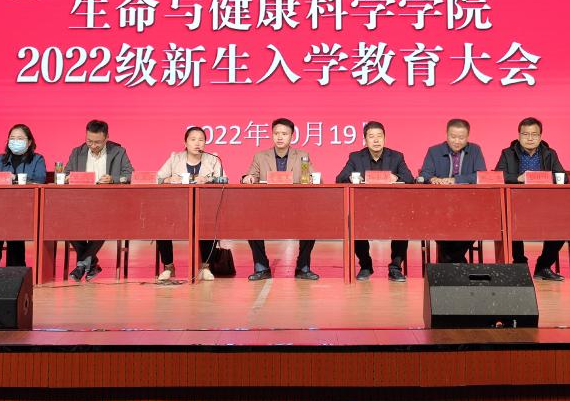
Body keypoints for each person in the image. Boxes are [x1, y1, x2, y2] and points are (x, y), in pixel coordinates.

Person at [335, 121, 415, 281]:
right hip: (365, 209)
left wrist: (396, 177)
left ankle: (395, 268)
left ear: (385, 138)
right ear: (365, 140)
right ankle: (366, 265)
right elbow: (340, 178)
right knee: (353, 222)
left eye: (379, 136)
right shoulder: (356, 157)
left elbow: (409, 178)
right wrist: (352, 177)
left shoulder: (396, 157)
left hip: (392, 208)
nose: (376, 140)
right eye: (371, 136)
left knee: (403, 223)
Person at [241, 118, 319, 281]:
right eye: (276, 133)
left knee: (312, 221)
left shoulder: (302, 156)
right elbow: (251, 175)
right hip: (267, 208)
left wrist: (313, 179)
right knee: (250, 222)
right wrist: (248, 178)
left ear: (292, 136)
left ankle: (303, 267)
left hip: (296, 207)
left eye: (284, 134)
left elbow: (312, 177)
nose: (280, 137)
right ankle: (261, 267)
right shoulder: (260, 157)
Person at [494, 117, 568, 281]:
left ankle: (543, 266)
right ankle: (520, 264)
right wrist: (518, 178)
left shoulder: (549, 153)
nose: (530, 138)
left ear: (540, 136)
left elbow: (562, 177)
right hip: (515, 203)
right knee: (508, 221)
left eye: (534, 134)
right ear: (519, 135)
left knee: (562, 226)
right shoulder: (508, 153)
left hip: (545, 203)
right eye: (525, 134)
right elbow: (498, 176)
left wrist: (541, 178)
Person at [64, 119, 134, 281]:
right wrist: (68, 178)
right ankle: (90, 263)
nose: (93, 145)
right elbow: (66, 174)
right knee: (66, 222)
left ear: (107, 137)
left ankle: (82, 265)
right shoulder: (77, 152)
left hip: (108, 205)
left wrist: (113, 179)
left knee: (105, 221)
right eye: (89, 141)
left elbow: (130, 174)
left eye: (98, 142)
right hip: (80, 204)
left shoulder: (118, 152)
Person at [155, 126, 225, 282]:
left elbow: (223, 180)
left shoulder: (213, 159)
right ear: (185, 143)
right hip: (176, 208)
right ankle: (168, 267)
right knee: (161, 225)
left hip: (204, 207)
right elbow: (156, 178)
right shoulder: (175, 158)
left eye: (201, 140)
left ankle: (205, 267)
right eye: (193, 139)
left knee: (209, 222)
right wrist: (167, 179)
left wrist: (209, 179)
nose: (197, 143)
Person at [0, 124, 46, 267]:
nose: (15, 141)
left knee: (15, 237)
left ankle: (16, 272)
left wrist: (15, 178)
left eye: (20, 138)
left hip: (23, 209)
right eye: (12, 138)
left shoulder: (37, 159)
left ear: (29, 142)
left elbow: (40, 179)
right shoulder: (1, 159)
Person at [419, 118, 487, 263]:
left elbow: (481, 175)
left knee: (477, 224)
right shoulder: (434, 151)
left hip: (468, 207)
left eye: (461, 138)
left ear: (468, 137)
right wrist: (432, 179)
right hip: (439, 207)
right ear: (446, 134)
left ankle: (449, 260)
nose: (456, 141)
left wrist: (456, 180)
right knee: (437, 225)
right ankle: (457, 261)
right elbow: (424, 174)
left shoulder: (475, 150)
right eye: (453, 136)